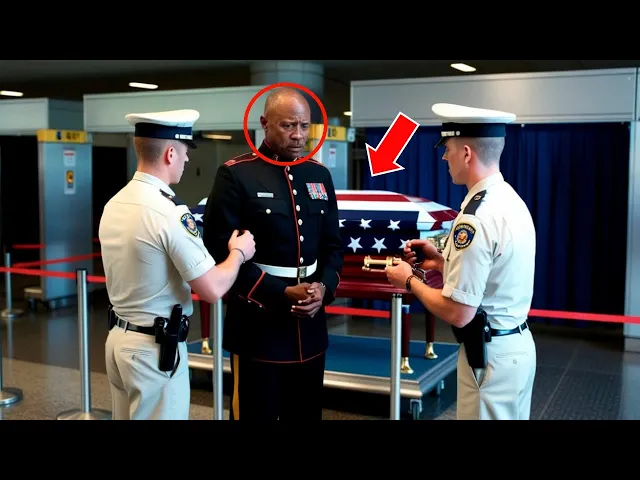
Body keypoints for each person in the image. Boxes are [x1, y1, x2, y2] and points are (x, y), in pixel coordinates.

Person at [100, 109, 256, 420]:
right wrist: (239, 253)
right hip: (154, 351)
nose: (186, 159)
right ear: (170, 153)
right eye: (185, 151)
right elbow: (212, 288)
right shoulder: (168, 212)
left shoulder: (115, 202)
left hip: (118, 341)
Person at [385, 102, 537, 420]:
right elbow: (495, 273)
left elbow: (459, 313)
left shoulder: (475, 218)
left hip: (490, 358)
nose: (444, 157)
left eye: (448, 149)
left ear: (466, 153)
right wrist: (442, 263)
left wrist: (408, 281)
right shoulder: (509, 200)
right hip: (516, 347)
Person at [202, 87, 343, 420]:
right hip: (258, 325)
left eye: (304, 126)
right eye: (288, 125)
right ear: (265, 123)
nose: (298, 135)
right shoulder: (236, 174)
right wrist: (279, 292)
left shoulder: (318, 175)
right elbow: (218, 249)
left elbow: (332, 245)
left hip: (310, 328)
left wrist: (323, 288)